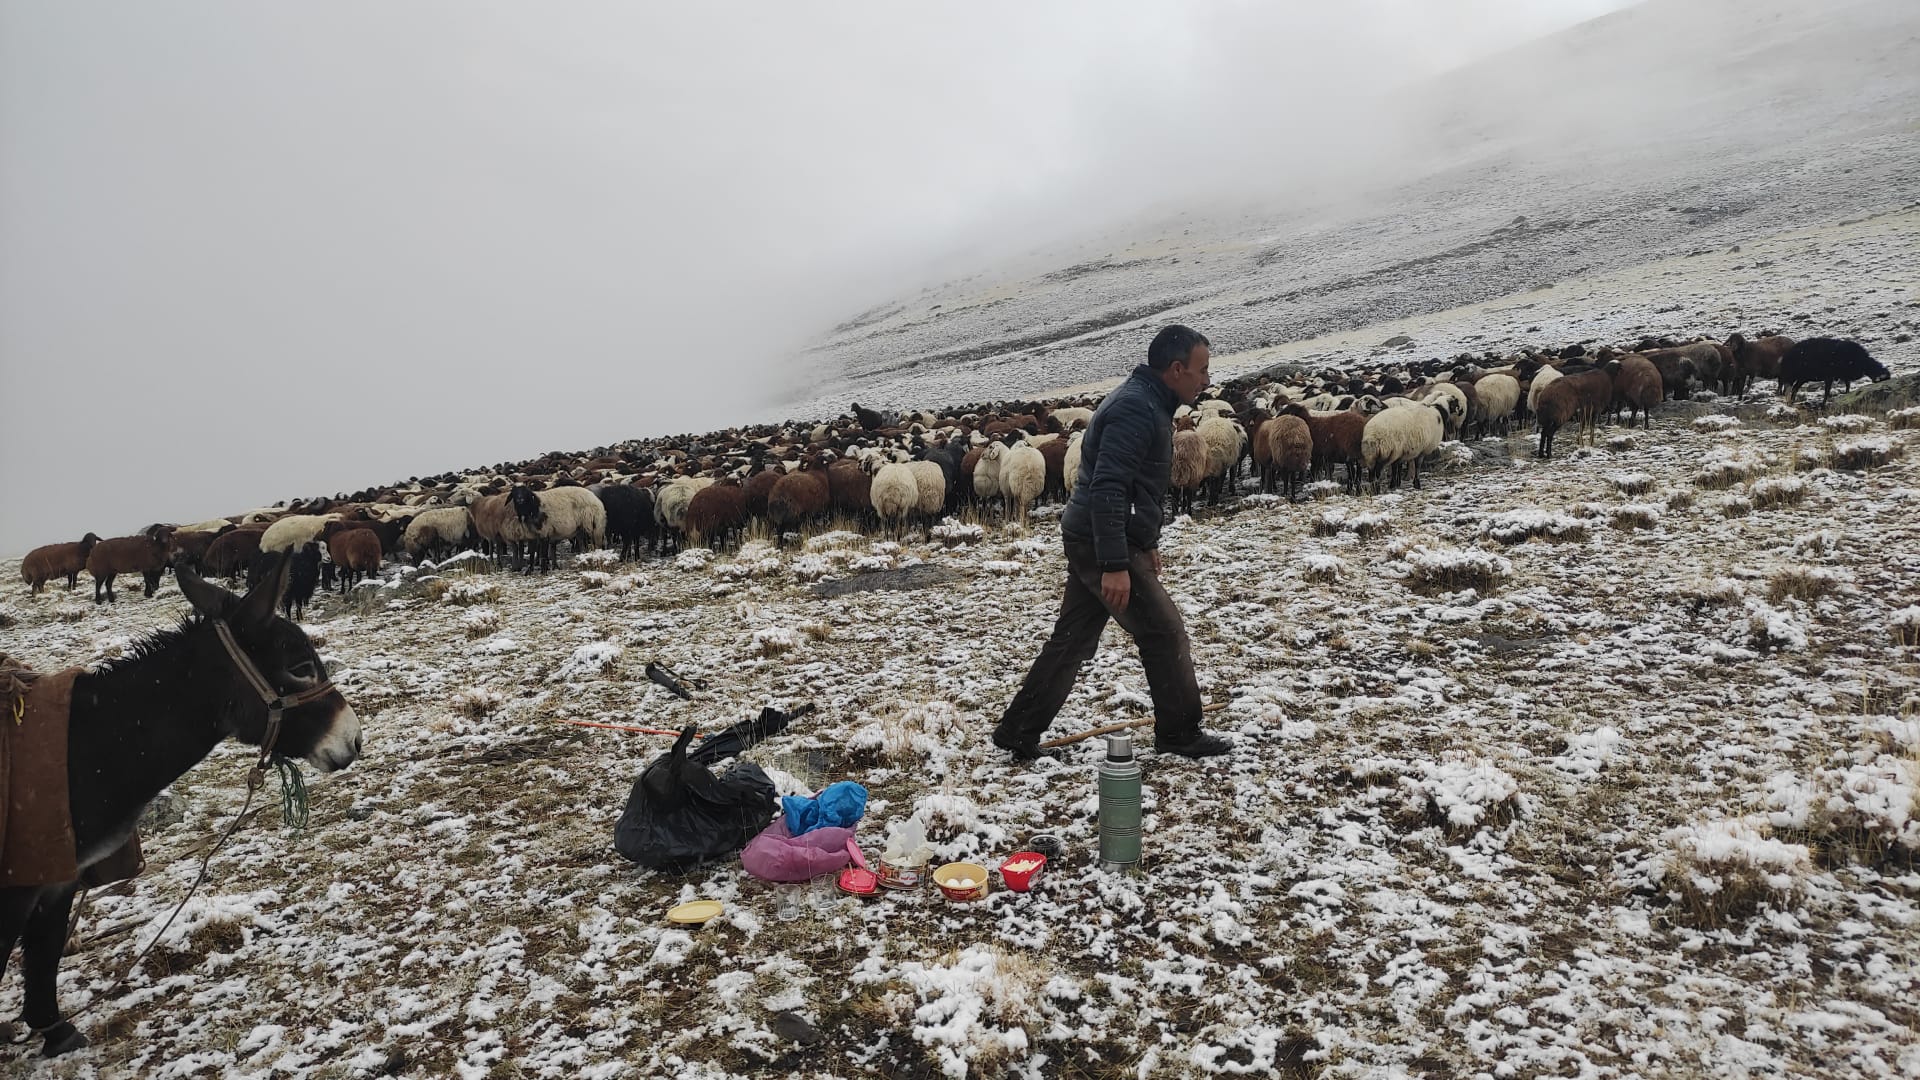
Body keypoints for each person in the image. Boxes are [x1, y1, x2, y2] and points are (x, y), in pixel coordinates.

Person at [992, 325, 1232, 761]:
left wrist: (1147, 539)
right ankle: (1179, 733)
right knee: (1163, 632)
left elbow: (1136, 486)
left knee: (1073, 639)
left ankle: (1017, 729)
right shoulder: (1136, 410)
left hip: (1102, 536)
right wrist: (1116, 563)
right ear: (1176, 370)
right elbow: (1108, 487)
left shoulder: (1147, 403)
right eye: (1201, 370)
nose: (1206, 380)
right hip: (1102, 540)